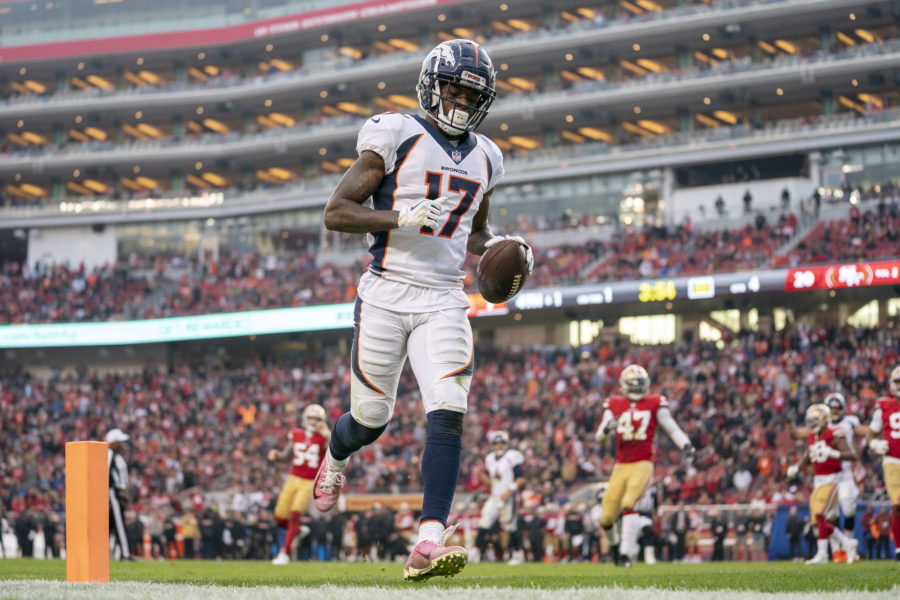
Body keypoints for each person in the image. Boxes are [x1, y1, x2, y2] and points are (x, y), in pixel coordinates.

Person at [314, 38, 532, 582]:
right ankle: (337, 457)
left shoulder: (487, 156)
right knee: (369, 421)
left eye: (471, 92)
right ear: (432, 84)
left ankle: (430, 538)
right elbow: (336, 213)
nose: (460, 99)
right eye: (453, 87)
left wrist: (505, 248)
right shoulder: (395, 132)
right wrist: (401, 218)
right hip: (386, 291)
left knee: (449, 408)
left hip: (443, 298)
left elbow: (473, 232)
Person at [594, 364, 695, 567]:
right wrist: (606, 429)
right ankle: (615, 549)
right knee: (606, 518)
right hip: (621, 465)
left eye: (639, 384)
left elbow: (672, 428)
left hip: (642, 462)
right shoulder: (614, 403)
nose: (636, 388)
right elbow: (599, 438)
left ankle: (625, 555)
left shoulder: (654, 402)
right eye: (633, 384)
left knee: (629, 503)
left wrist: (686, 444)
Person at [788, 392, 867, 561]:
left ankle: (841, 547)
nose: (835, 410)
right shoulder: (815, 431)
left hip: (841, 475)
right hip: (821, 478)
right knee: (824, 517)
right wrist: (798, 467)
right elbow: (806, 447)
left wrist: (833, 453)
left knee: (845, 510)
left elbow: (859, 442)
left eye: (837, 407)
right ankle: (838, 550)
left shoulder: (840, 429)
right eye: (831, 408)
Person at [268, 404, 329, 565]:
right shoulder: (296, 434)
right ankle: (298, 530)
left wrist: (328, 435)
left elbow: (334, 452)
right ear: (305, 419)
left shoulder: (324, 437)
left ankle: (285, 553)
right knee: (280, 517)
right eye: (311, 418)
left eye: (317, 419)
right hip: (292, 478)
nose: (314, 421)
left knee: (295, 515)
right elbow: (286, 455)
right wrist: (276, 456)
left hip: (309, 481)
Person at [470, 431, 526, 565]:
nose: (499, 446)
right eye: (496, 443)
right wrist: (480, 474)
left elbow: (521, 479)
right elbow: (491, 482)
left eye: (501, 443)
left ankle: (518, 554)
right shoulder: (489, 458)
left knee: (510, 526)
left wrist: (509, 490)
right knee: (484, 521)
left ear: (505, 443)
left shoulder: (512, 456)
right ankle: (475, 552)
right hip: (495, 496)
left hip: (509, 496)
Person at [865, 365, 900, 561]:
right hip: (893, 460)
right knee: (898, 504)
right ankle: (899, 547)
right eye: (898, 382)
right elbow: (871, 433)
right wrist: (875, 443)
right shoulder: (884, 406)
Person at [106, 428, 133, 561]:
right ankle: (125, 554)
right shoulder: (109, 455)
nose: (122, 445)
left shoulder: (116, 456)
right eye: (119, 442)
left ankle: (110, 554)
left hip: (115, 494)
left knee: (111, 527)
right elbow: (108, 478)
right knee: (119, 524)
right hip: (112, 494)